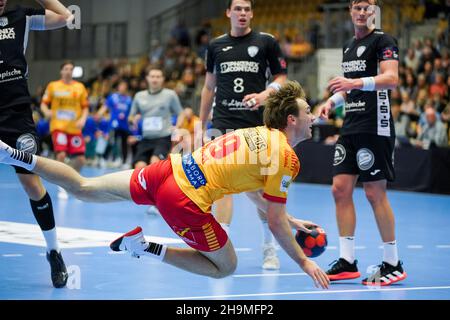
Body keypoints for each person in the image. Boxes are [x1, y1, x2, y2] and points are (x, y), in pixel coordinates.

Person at [0, 81, 330, 290]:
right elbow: (270, 218)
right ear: (291, 120)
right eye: (307, 112)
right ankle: (144, 247)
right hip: (185, 199)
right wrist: (304, 261)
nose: (313, 117)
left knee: (83, 188)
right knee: (225, 268)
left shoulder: (253, 133)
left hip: (165, 172)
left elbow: (249, 189)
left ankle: (13, 155)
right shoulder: (287, 157)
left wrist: (290, 219)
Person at [317, 0, 407, 286]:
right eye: (357, 6)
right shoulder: (348, 46)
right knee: (340, 189)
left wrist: (354, 84)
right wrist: (330, 102)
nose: (362, 12)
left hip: (375, 125)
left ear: (374, 11)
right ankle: (347, 261)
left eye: (368, 7)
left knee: (373, 193)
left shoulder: (383, 41)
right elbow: (349, 87)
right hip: (351, 126)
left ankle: (393, 263)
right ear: (350, 11)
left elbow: (391, 79)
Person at [199, 0, 288, 270]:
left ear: (252, 14)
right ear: (228, 13)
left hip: (256, 125)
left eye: (247, 9)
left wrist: (264, 94)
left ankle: (269, 248)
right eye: (237, 9)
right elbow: (208, 87)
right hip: (223, 122)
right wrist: (201, 123)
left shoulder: (266, 42)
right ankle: (220, 248)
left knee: (261, 189)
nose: (243, 13)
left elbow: (282, 77)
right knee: (223, 186)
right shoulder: (215, 46)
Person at [0, 0, 74, 288]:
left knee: (31, 184)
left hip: (16, 113)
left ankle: (53, 251)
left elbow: (66, 17)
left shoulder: (22, 16)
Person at [128, 67, 184, 215]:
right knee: (139, 168)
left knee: (155, 164)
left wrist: (177, 127)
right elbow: (131, 116)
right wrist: (133, 120)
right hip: (146, 138)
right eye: (152, 76)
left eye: (158, 76)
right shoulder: (139, 96)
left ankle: (160, 203)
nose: (155, 79)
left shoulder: (170, 95)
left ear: (162, 79)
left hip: (163, 137)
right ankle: (152, 199)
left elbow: (181, 113)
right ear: (147, 78)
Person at [41, 60, 89, 199]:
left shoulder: (80, 87)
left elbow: (85, 107)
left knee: (80, 159)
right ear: (61, 71)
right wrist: (46, 112)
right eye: (66, 69)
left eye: (71, 69)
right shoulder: (53, 86)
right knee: (61, 155)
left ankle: (69, 177)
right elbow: (44, 104)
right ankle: (62, 185)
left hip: (74, 128)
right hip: (58, 127)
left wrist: (83, 119)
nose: (68, 71)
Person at [96, 80, 133, 168]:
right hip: (113, 124)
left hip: (124, 125)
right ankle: (103, 159)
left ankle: (124, 162)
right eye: (121, 86)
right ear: (118, 87)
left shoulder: (129, 99)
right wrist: (99, 114)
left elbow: (132, 111)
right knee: (111, 142)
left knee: (124, 144)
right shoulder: (113, 97)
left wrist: (132, 120)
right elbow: (105, 106)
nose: (122, 88)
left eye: (124, 86)